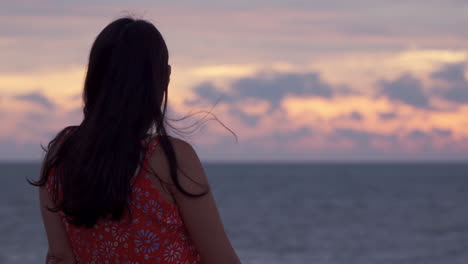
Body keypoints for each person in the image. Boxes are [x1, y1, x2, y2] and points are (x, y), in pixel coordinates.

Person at [29, 16, 241, 264]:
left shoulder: (60, 154)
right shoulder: (170, 159)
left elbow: (60, 256)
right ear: (165, 76)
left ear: (93, 77)